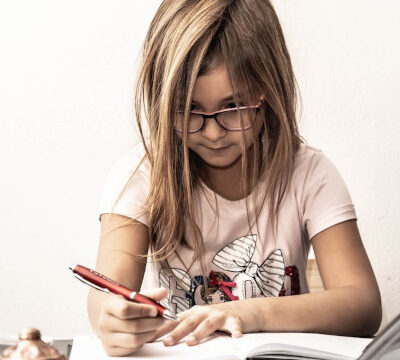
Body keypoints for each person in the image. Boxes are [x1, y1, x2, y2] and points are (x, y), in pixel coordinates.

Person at [87, 0, 382, 356]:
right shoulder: (140, 174)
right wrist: (111, 319)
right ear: (163, 102)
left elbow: (364, 306)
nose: (212, 133)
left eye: (233, 107)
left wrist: (250, 312)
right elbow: (105, 295)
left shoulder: (308, 174)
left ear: (267, 92)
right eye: (190, 109)